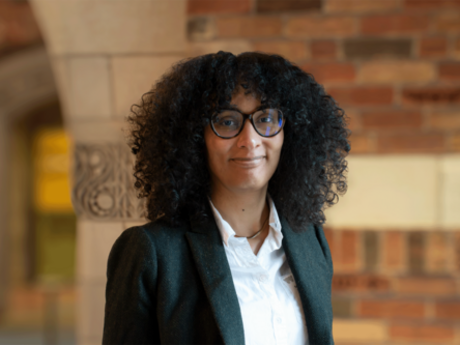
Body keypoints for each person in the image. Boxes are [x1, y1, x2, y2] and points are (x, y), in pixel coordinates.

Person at [102, 51, 350, 345]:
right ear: (196, 137)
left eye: (266, 118)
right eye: (227, 121)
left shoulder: (308, 239)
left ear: (289, 133)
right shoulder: (152, 253)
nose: (250, 140)